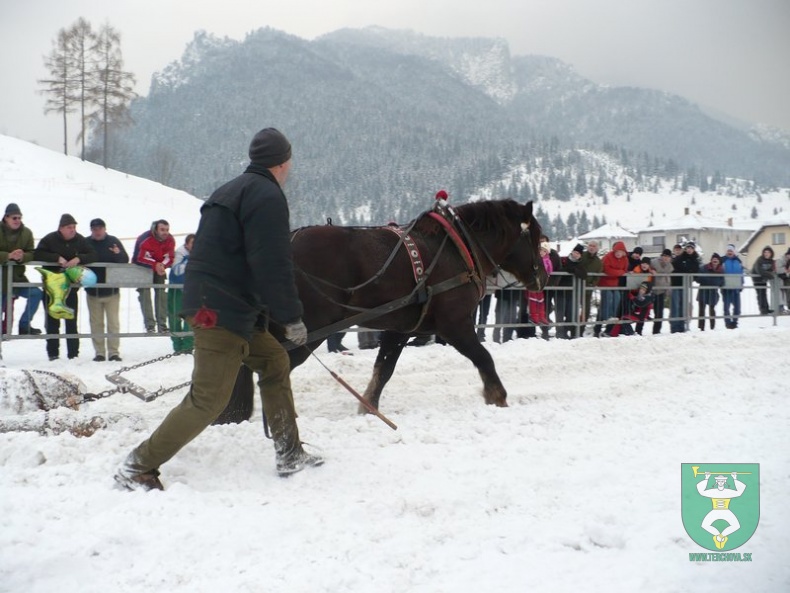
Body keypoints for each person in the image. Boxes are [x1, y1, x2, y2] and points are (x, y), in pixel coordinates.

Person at [115, 127, 320, 491]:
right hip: (220, 312)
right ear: (283, 162)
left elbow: (231, 256)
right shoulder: (267, 195)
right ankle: (138, 465)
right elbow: (271, 262)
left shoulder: (230, 190)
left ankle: (289, 452)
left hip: (230, 307)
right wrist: (290, 316)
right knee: (208, 399)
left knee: (274, 362)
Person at [34, 214, 97, 360]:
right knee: (52, 323)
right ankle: (53, 354)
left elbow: (94, 254)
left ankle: (73, 354)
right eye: (69, 227)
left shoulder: (80, 240)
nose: (72, 230)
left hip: (71, 289)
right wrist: (56, 258)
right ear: (61, 228)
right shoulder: (49, 239)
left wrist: (79, 258)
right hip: (51, 290)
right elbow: (38, 253)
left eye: (74, 227)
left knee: (71, 322)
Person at [85, 218, 129, 362]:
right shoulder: (86, 243)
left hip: (112, 291)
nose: (97, 231)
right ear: (91, 230)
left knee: (113, 323)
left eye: (100, 228)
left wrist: (117, 253)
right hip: (93, 291)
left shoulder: (113, 241)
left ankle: (113, 352)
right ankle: (99, 353)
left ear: (104, 229)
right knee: (96, 323)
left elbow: (125, 259)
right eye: (94, 229)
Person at [1, 203, 43, 335]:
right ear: (6, 217)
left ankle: (24, 325)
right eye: (14, 218)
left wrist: (22, 257)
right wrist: (7, 256)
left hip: (18, 278)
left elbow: (32, 252)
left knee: (36, 293)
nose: (17, 220)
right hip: (1, 281)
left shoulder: (27, 233)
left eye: (19, 218)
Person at [133, 220, 175, 333]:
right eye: (162, 230)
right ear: (155, 230)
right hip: (142, 267)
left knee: (161, 293)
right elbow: (140, 257)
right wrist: (155, 264)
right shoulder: (145, 238)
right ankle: (150, 325)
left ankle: (162, 324)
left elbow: (170, 256)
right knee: (145, 294)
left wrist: (163, 265)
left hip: (159, 267)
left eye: (167, 230)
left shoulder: (170, 240)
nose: (165, 233)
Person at [168, 233, 195, 354]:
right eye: (192, 243)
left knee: (191, 318)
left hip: (192, 291)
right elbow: (176, 271)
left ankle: (188, 346)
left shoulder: (201, 254)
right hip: (176, 291)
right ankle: (177, 345)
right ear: (187, 244)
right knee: (175, 318)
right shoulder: (180, 253)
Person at [594, 240, 628, 337]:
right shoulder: (608, 257)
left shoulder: (625, 259)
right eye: (617, 252)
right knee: (607, 300)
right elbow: (606, 269)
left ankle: (611, 324)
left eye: (620, 252)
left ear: (623, 252)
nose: (618, 254)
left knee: (617, 299)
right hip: (605, 283)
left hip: (615, 284)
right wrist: (619, 272)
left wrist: (618, 272)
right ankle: (603, 321)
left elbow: (625, 270)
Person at [555, 243, 587, 339]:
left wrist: (573, 270)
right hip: (560, 291)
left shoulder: (580, 264)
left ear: (580, 255)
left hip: (572, 293)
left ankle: (565, 331)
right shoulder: (563, 260)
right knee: (560, 313)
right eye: (575, 252)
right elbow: (559, 270)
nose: (576, 254)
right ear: (572, 252)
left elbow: (584, 275)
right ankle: (559, 333)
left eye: (578, 253)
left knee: (571, 314)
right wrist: (568, 270)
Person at [669, 241, 701, 333]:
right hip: (676, 284)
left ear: (694, 249)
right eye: (688, 248)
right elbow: (674, 269)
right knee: (675, 306)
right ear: (686, 249)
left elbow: (696, 272)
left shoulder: (695, 260)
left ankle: (682, 326)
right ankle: (674, 327)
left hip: (686, 285)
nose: (689, 250)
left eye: (691, 248)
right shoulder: (680, 258)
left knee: (683, 306)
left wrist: (690, 277)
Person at [579, 240, 602, 333]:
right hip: (576, 287)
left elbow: (597, 275)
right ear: (587, 247)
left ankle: (580, 330)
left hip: (587, 289)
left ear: (597, 248)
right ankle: (571, 328)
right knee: (573, 309)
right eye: (590, 245)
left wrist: (592, 284)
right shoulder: (581, 256)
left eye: (594, 246)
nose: (592, 247)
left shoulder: (598, 262)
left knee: (586, 310)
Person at [721, 244, 744, 329]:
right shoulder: (723, 260)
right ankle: (728, 323)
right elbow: (720, 272)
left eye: (731, 250)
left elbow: (741, 273)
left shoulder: (738, 261)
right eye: (728, 250)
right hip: (726, 287)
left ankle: (735, 322)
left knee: (737, 308)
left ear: (734, 252)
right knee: (726, 307)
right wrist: (721, 283)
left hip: (736, 287)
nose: (729, 252)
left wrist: (742, 283)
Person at [651, 248, 673, 334]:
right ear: (662, 256)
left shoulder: (670, 266)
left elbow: (668, 278)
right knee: (646, 311)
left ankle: (656, 331)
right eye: (664, 256)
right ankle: (639, 330)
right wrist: (651, 270)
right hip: (652, 289)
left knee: (659, 311)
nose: (666, 258)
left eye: (668, 256)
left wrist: (668, 288)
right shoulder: (654, 262)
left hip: (661, 290)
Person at [750, 246, 776, 315]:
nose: (766, 254)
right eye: (765, 252)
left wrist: (769, 274)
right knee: (760, 294)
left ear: (771, 253)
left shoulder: (771, 261)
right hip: (757, 279)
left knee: (764, 294)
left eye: (768, 252)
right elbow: (759, 270)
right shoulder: (760, 259)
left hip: (764, 279)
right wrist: (770, 275)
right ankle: (762, 310)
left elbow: (771, 270)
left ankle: (766, 308)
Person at [778, 248, 790, 313]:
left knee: (786, 294)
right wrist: (786, 270)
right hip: (779, 280)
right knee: (780, 294)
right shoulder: (782, 259)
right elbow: (778, 269)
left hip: (785, 279)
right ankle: (780, 308)